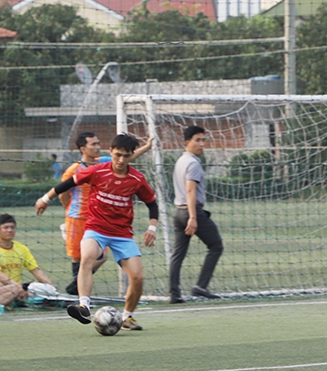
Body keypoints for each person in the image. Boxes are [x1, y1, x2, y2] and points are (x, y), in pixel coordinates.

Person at [36, 133, 159, 331]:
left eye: (126, 156)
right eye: (117, 155)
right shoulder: (97, 170)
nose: (121, 160)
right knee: (87, 257)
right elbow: (68, 184)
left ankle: (127, 317)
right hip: (96, 228)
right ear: (110, 152)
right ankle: (84, 306)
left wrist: (152, 227)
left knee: (138, 277)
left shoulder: (136, 178)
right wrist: (45, 198)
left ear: (131, 156)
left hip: (122, 234)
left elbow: (152, 203)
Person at [59, 132, 153, 295]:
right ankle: (77, 293)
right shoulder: (74, 169)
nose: (97, 147)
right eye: (93, 144)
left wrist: (147, 147)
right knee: (78, 256)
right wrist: (69, 208)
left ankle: (76, 287)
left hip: (98, 218)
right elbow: (63, 192)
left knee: (100, 257)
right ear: (83, 149)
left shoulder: (103, 162)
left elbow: (128, 157)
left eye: (98, 143)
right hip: (76, 217)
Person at [168, 125, 224, 303]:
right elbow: (190, 191)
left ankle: (174, 294)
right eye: (197, 140)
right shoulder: (193, 163)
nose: (202, 144)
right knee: (216, 246)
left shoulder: (181, 161)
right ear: (187, 142)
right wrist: (193, 217)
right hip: (192, 213)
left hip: (178, 213)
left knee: (178, 254)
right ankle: (201, 286)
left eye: (203, 140)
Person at [0, 214, 58, 304]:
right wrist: (17, 287)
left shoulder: (21, 248)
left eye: (12, 227)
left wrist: (50, 284)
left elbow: (35, 270)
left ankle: (19, 298)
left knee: (40, 286)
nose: (10, 230)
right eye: (6, 227)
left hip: (17, 287)